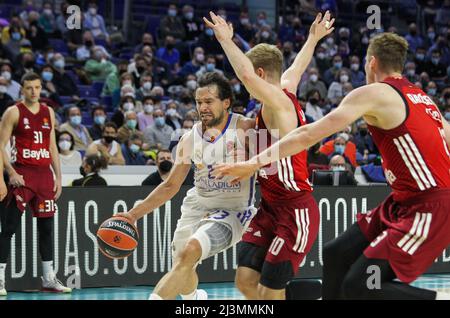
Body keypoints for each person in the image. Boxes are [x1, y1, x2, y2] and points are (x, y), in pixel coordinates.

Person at [215, 32, 450, 300]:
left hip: (428, 206)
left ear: (371, 63)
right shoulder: (423, 98)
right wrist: (312, 39)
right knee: (335, 254)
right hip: (402, 201)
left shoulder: (372, 93)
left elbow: (307, 136)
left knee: (359, 285)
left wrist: (251, 163)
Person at [204, 11, 334, 299]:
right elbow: (297, 67)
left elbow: (246, 75)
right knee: (245, 282)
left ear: (261, 75)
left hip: (294, 209)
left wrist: (226, 40)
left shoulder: (278, 104)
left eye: (251, 79)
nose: (246, 87)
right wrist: (312, 38)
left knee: (268, 292)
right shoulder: (284, 89)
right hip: (270, 208)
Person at [117, 72, 257, 300]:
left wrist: (249, 167)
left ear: (226, 103)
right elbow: (170, 185)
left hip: (233, 210)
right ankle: (194, 300)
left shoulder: (246, 129)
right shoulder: (189, 138)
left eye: (209, 102)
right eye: (199, 102)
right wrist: (133, 215)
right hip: (198, 204)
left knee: (189, 251)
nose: (202, 107)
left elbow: (274, 161)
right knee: (182, 265)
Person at [0, 72, 71, 295]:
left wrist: (58, 177)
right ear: (22, 89)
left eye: (38, 87)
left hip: (43, 175)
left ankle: (49, 278)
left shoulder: (48, 112)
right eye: (29, 88)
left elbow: (52, 147)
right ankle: (0, 277)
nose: (34, 92)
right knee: (9, 227)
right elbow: (1, 146)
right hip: (22, 173)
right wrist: (9, 173)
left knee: (47, 228)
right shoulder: (13, 112)